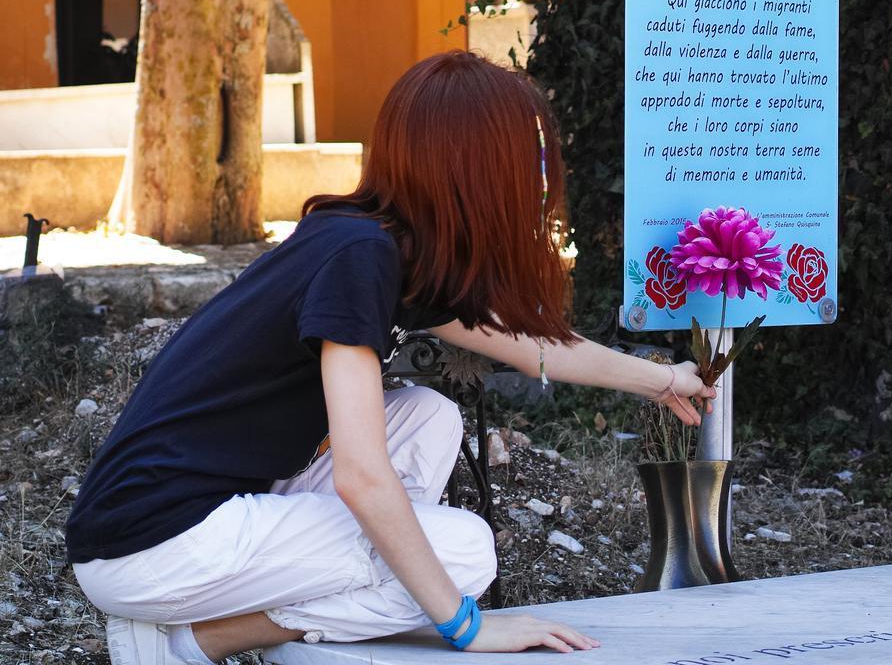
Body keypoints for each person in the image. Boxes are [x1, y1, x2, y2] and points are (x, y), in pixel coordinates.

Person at [65, 51, 715, 664]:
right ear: (475, 170)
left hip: (212, 514)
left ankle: (345, 603)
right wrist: (466, 624)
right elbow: (360, 476)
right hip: (151, 544)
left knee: (429, 417)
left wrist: (661, 381)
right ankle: (192, 644)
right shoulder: (359, 259)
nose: (536, 180)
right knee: (462, 554)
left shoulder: (396, 255)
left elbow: (540, 349)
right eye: (524, 160)